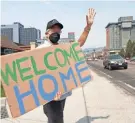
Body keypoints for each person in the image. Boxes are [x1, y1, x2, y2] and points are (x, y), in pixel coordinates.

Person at [37, 8, 96, 123]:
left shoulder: (62, 49)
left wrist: (87, 27)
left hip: (61, 95)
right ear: (46, 33)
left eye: (58, 30)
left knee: (56, 118)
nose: (56, 32)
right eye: (53, 29)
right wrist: (47, 94)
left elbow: (79, 43)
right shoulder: (40, 50)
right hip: (50, 97)